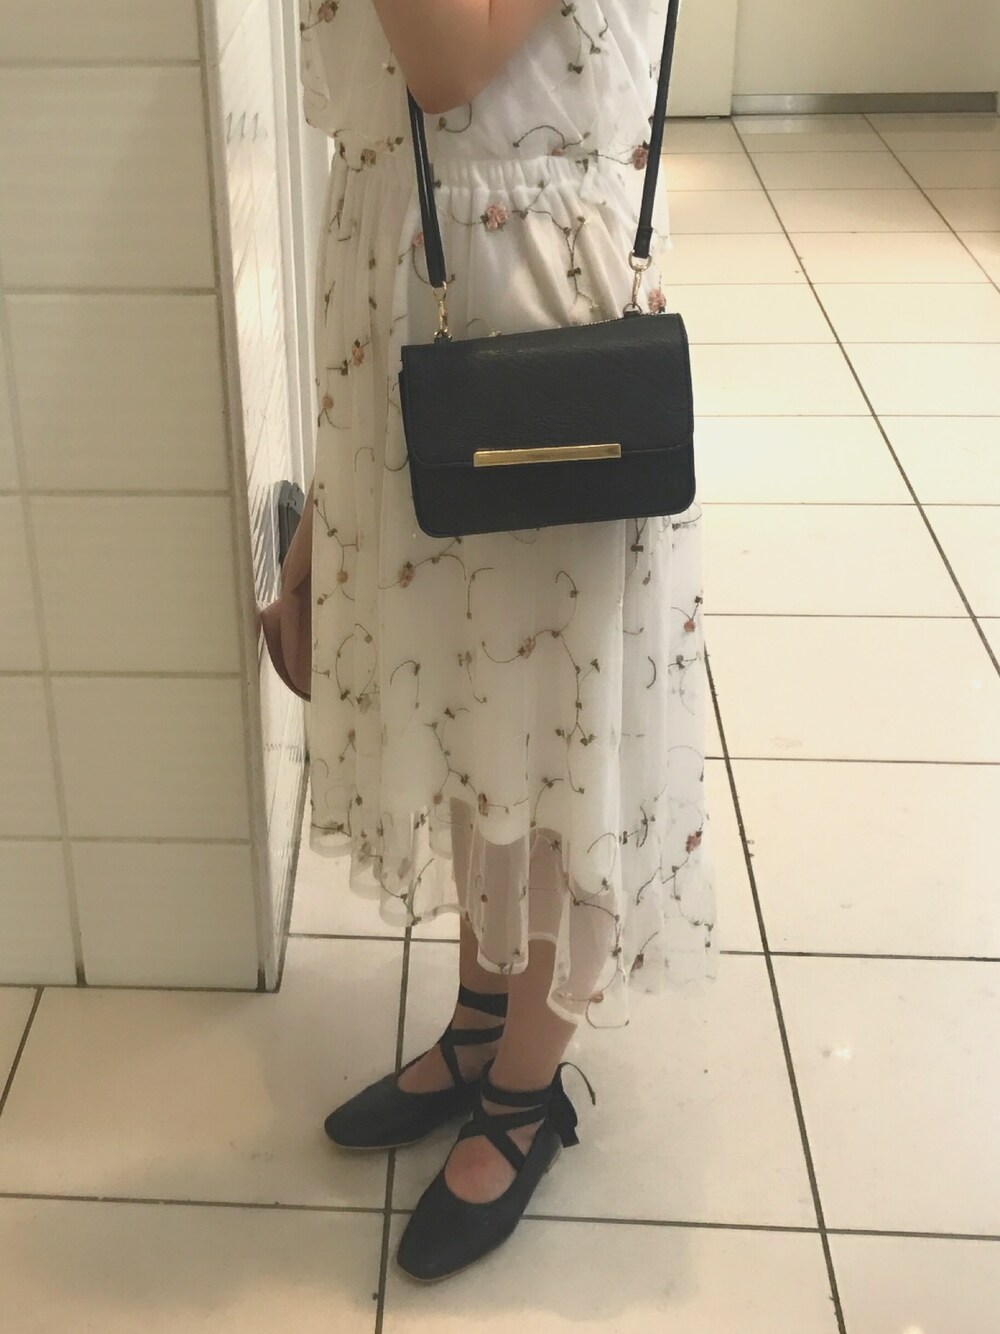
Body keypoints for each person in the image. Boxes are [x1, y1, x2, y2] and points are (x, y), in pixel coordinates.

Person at [294, 0, 718, 1282]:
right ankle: (481, 1019)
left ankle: (526, 1089)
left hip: (539, 292)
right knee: (470, 707)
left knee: (550, 717)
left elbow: (446, 61)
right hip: (408, 270)